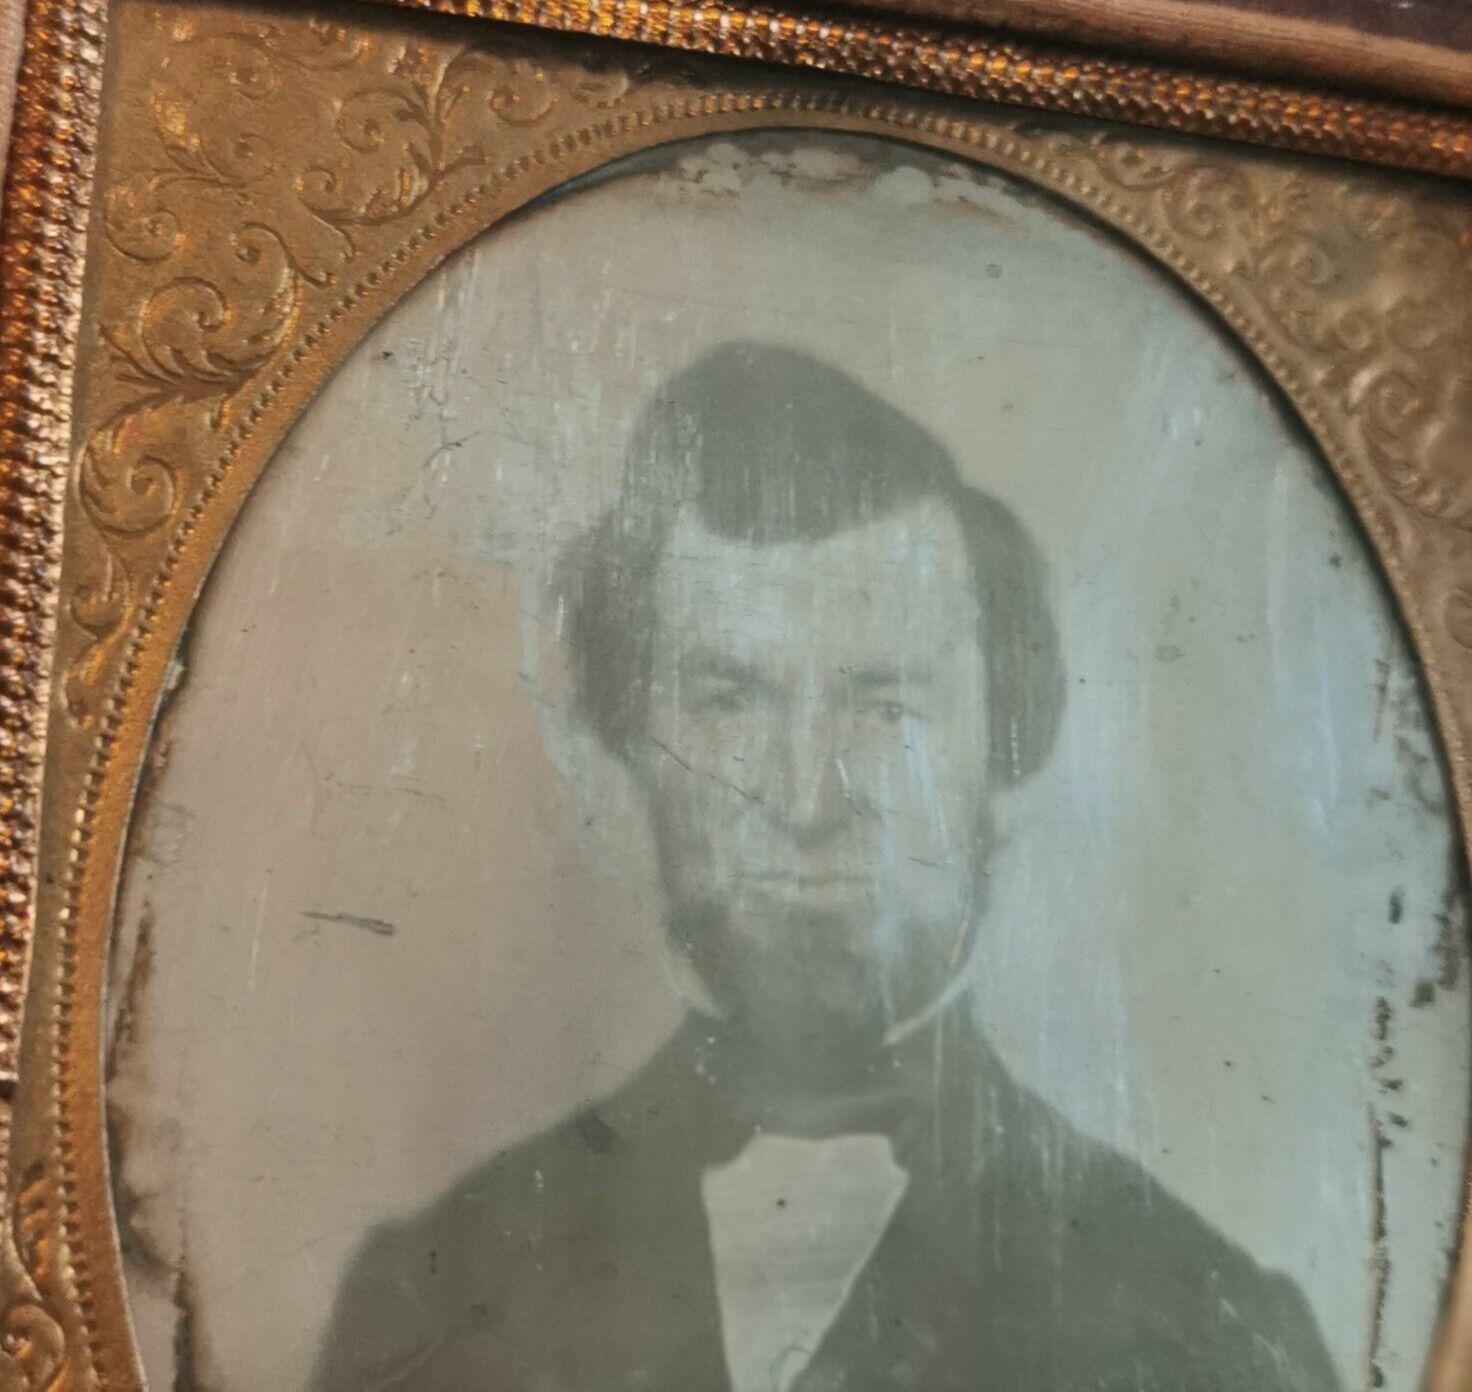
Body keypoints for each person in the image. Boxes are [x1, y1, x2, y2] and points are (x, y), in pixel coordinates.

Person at [312, 341, 1340, 1391]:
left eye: (884, 705)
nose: (804, 802)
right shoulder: (434, 1292)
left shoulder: (1213, 1327)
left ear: (1002, 752)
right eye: (727, 701)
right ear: (630, 749)